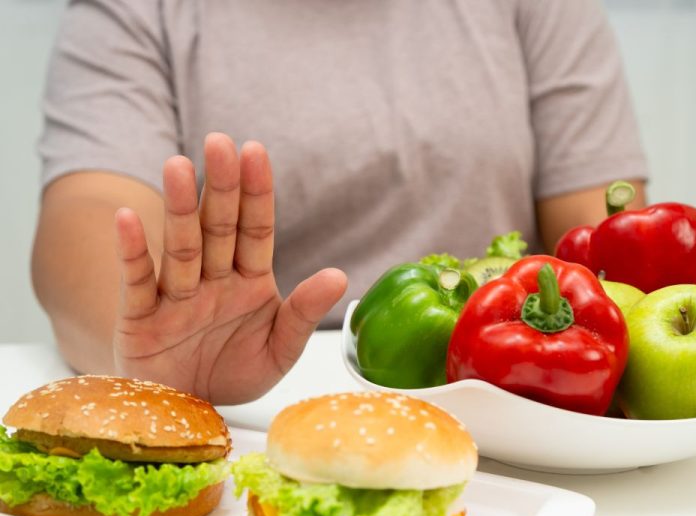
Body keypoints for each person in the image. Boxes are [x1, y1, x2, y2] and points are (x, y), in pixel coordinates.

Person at [31, 0, 648, 405]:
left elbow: (605, 249)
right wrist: (152, 356)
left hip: (512, 398)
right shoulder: (138, 10)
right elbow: (87, 217)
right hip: (247, 407)